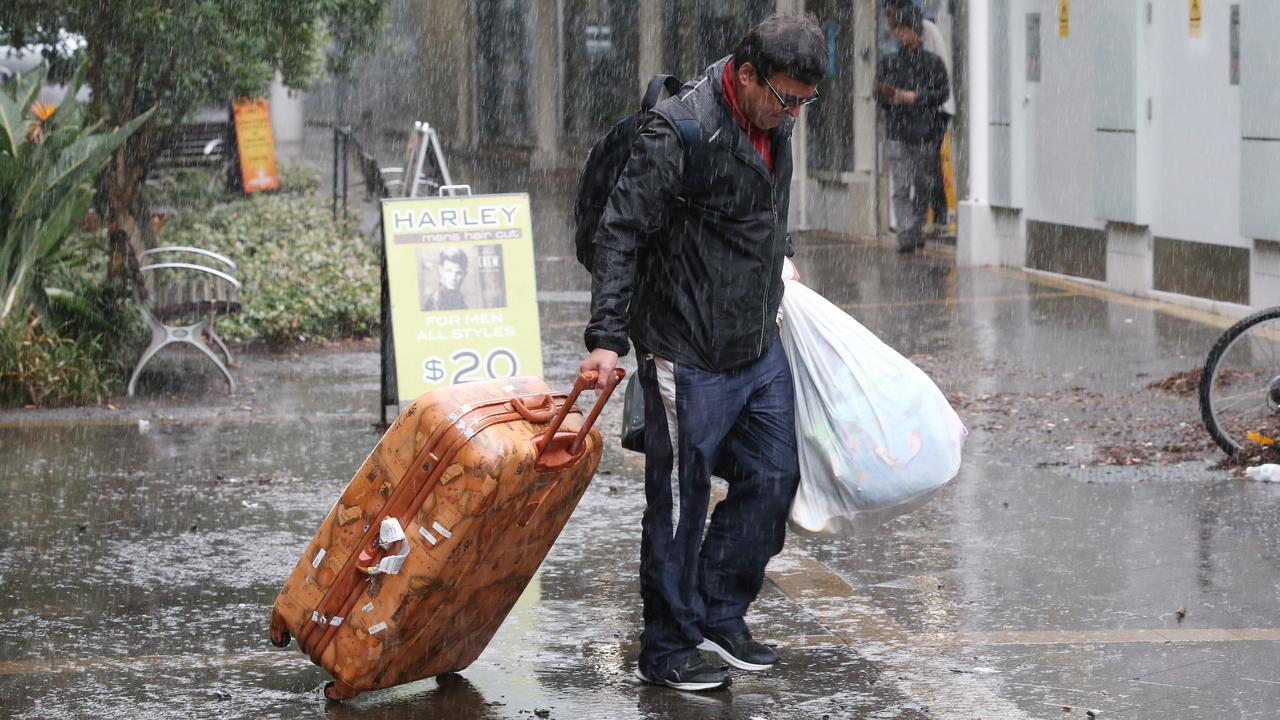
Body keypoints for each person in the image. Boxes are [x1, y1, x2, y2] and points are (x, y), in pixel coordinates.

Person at [579, 15, 826, 693]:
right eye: (784, 98)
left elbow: (769, 207)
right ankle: (667, 647)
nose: (792, 113)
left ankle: (718, 611)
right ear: (746, 75)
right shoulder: (679, 128)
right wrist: (606, 338)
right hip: (685, 346)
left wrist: (786, 257)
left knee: (775, 477)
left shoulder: (780, 118)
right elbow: (620, 232)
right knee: (680, 502)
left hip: (756, 339)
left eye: (805, 102)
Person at [876, 4, 950, 253]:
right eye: (899, 30)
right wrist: (890, 96)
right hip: (898, 130)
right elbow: (879, 93)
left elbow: (942, 93)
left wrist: (915, 98)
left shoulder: (933, 63)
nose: (901, 35)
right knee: (901, 185)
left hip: (925, 132)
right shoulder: (890, 62)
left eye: (906, 30)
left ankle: (915, 228)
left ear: (916, 32)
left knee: (922, 183)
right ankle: (907, 232)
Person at [421, 247, 469, 311]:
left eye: (458, 273)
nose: (453, 277)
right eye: (449, 271)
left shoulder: (461, 300)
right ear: (441, 270)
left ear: (465, 274)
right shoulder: (435, 301)